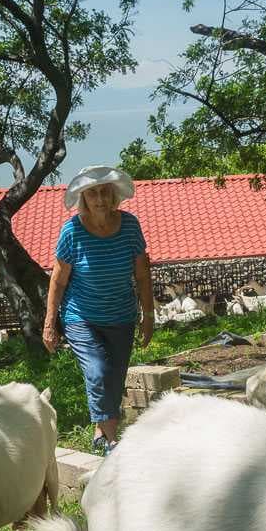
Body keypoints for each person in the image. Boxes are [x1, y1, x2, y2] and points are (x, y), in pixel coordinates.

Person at [42, 165, 155, 454]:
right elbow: (58, 279)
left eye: (105, 192)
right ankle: (110, 441)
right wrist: (49, 322)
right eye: (93, 194)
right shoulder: (72, 231)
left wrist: (149, 315)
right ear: (83, 198)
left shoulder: (130, 225)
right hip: (82, 316)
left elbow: (142, 273)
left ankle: (101, 434)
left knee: (115, 377)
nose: (100, 199)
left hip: (122, 315)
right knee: (97, 369)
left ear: (114, 195)